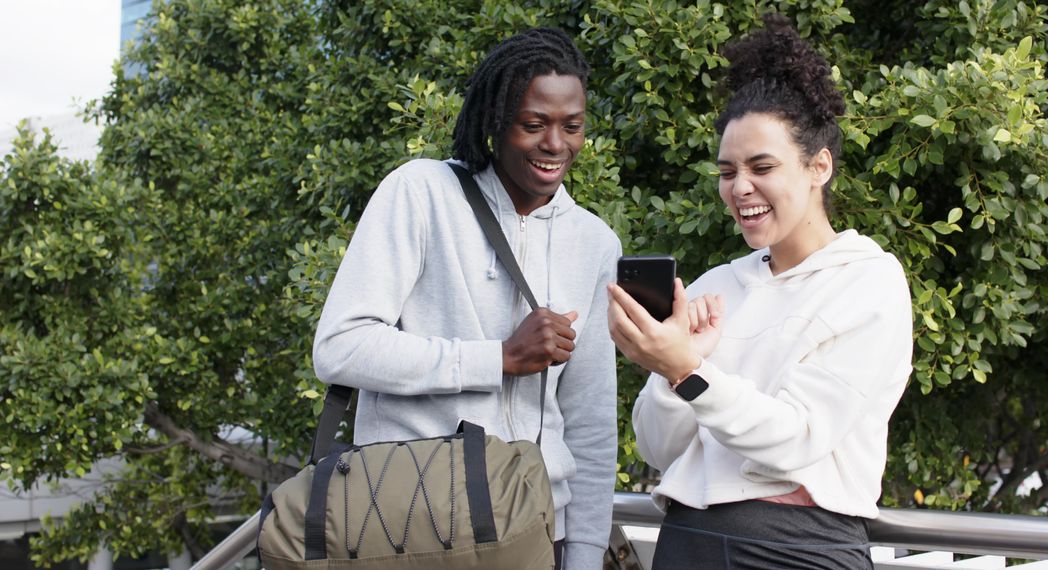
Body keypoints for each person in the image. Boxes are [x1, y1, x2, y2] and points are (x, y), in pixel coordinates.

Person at [607, 14, 913, 569]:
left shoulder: (868, 281)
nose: (739, 187)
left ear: (819, 166)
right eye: (727, 171)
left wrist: (686, 371)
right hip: (687, 542)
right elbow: (657, 447)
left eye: (761, 166)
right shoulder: (718, 285)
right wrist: (669, 371)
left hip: (797, 548)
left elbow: (797, 439)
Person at [312, 27, 621, 570]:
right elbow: (341, 347)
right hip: (411, 524)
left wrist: (587, 555)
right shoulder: (421, 193)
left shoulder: (594, 242)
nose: (556, 144)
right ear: (496, 121)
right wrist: (497, 358)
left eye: (572, 126)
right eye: (534, 124)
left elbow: (590, 420)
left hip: (535, 532)